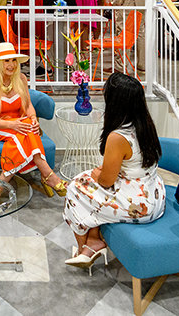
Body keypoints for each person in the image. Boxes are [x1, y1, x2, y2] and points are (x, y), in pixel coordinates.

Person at [63, 72, 166, 270]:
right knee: (87, 182)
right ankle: (94, 239)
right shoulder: (145, 124)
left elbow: (106, 181)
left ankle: (85, 247)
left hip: (139, 205)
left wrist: (96, 174)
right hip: (154, 194)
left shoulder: (118, 136)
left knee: (75, 187)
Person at [0, 43, 66, 206]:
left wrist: (33, 118)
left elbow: (27, 106)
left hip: (20, 123)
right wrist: (11, 125)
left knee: (26, 128)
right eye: (6, 61)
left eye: (13, 60)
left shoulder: (21, 79)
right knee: (25, 132)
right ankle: (48, 175)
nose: (11, 65)